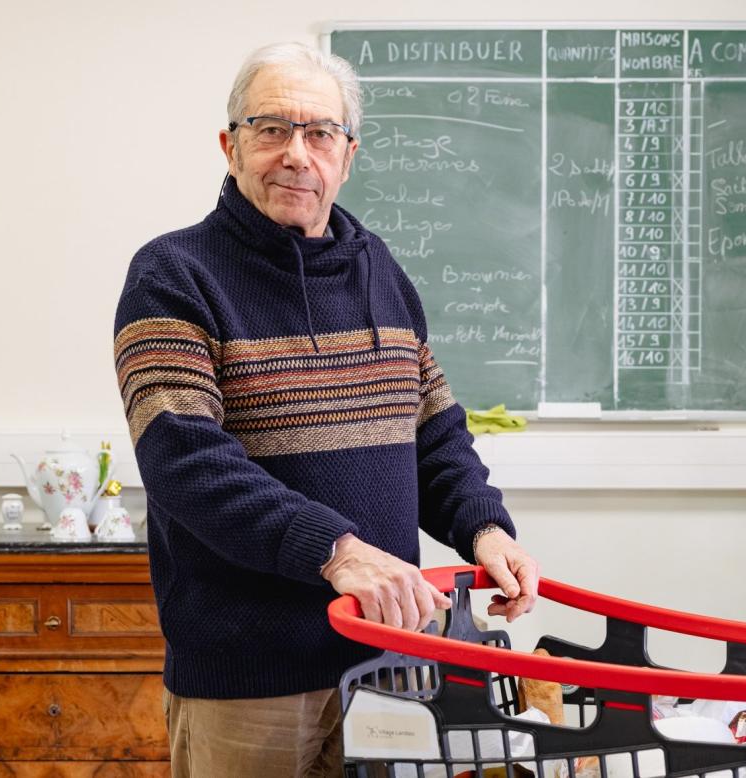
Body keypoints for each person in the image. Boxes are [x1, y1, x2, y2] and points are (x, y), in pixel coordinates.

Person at [112, 41, 540, 777]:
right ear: (231, 144)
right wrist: (334, 550)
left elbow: (432, 430)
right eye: (271, 129)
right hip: (248, 680)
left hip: (392, 664)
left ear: (347, 153)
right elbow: (185, 462)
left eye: (319, 133)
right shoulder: (172, 275)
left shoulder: (381, 271)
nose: (295, 155)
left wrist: (483, 523)